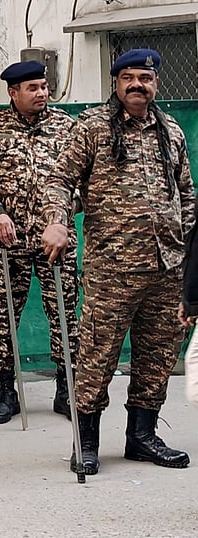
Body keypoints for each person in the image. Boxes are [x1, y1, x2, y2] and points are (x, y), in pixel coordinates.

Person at [42, 48, 194, 475]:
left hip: (168, 269)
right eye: (128, 77)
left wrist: (192, 260)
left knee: (158, 355)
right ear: (116, 83)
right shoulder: (92, 127)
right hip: (113, 270)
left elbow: (187, 197)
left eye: (145, 78)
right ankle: (86, 442)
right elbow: (59, 180)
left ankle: (142, 437)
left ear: (155, 83)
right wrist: (57, 221)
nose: (137, 85)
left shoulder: (173, 132)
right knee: (97, 356)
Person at [0, 60, 79, 424]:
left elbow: (87, 182)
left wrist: (61, 217)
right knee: (4, 317)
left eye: (44, 87)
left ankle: (67, 387)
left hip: (55, 240)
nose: (42, 93)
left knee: (64, 314)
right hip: (8, 240)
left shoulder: (67, 128)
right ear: (13, 92)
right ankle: (5, 392)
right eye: (33, 88)